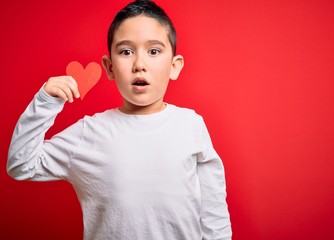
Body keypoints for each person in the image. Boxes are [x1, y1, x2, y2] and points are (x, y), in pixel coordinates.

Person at [7, 0, 232, 239]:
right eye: (126, 52)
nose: (139, 65)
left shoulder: (191, 125)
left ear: (174, 66)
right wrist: (44, 102)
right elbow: (22, 165)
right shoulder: (90, 132)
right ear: (110, 67)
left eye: (154, 51)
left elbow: (213, 209)